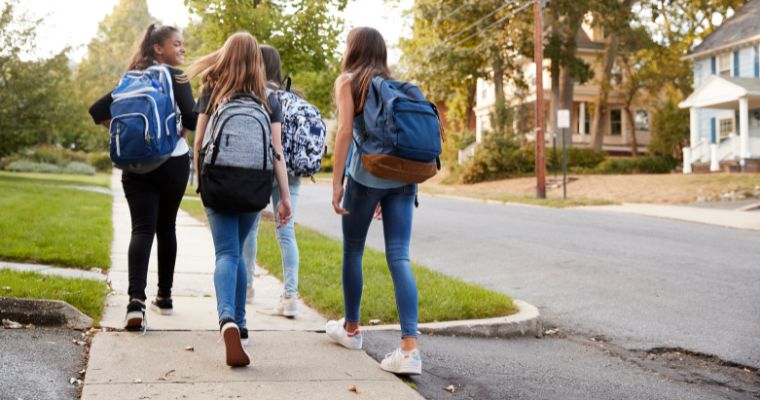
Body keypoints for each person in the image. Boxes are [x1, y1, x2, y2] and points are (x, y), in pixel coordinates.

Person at [188, 32, 292, 367]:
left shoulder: (212, 89)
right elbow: (276, 152)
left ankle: (227, 319)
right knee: (241, 251)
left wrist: (200, 181)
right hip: (254, 186)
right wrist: (284, 198)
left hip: (218, 182)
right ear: (257, 61)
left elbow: (199, 141)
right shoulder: (268, 97)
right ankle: (242, 322)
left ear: (225, 56)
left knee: (226, 253)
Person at [325, 27, 423, 375]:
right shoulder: (397, 85)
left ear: (353, 48)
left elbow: (345, 131)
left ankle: (351, 329)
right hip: (404, 177)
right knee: (399, 256)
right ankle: (410, 349)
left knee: (353, 249)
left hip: (365, 177)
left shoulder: (348, 80)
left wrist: (337, 182)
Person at [89, 24, 197, 331]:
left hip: (135, 167)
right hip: (171, 163)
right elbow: (190, 117)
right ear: (158, 48)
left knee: (142, 229)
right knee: (167, 227)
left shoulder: (129, 79)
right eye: (177, 44)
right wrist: (180, 132)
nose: (182, 49)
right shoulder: (175, 76)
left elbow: (96, 109)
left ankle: (135, 302)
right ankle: (164, 296)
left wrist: (126, 134)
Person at [242, 45, 301, 317]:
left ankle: (247, 288)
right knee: (286, 231)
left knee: (251, 228)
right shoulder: (294, 96)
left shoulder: (257, 96)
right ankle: (290, 296)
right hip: (293, 171)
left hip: (264, 168)